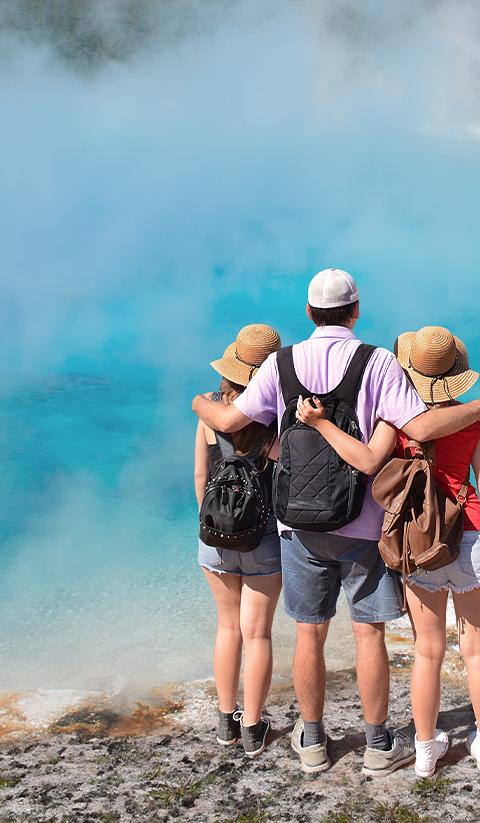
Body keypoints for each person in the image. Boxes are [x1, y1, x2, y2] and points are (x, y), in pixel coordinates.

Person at [191, 269, 480, 778]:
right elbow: (417, 427)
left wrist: (199, 402)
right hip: (365, 525)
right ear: (356, 310)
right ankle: (377, 745)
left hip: (297, 526)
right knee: (368, 634)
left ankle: (311, 740)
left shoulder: (281, 364)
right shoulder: (378, 362)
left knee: (309, 634)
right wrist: (477, 410)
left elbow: (227, 423)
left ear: (308, 313)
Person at [296, 326, 480, 777]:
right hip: (473, 533)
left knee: (427, 651)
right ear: (456, 374)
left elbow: (369, 463)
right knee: (478, 648)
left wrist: (319, 425)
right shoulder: (472, 418)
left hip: (419, 540)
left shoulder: (395, 422)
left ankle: (426, 752)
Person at [193, 323, 283, 756]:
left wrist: (213, 524)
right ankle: (252, 728)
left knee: (227, 628)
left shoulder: (210, 409)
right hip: (264, 535)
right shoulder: (276, 415)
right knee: (258, 634)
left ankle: (224, 723)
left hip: (215, 534)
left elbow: (199, 476)